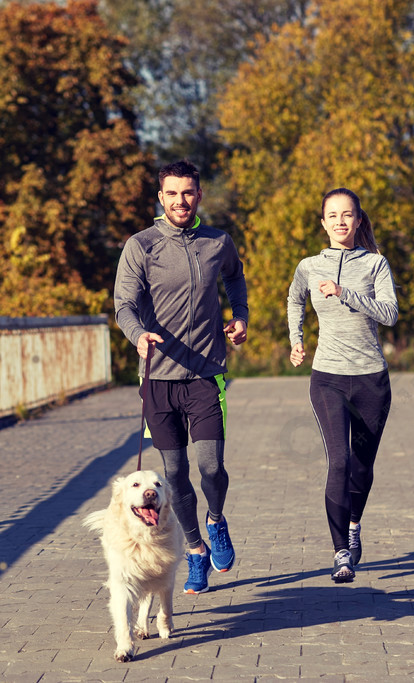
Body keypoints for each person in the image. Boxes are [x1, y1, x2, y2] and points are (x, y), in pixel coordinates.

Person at [114, 159, 249, 594]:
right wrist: (138, 335)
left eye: (188, 192)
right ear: (161, 197)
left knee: (211, 466)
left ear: (199, 195)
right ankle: (195, 552)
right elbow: (124, 305)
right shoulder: (142, 245)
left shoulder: (217, 242)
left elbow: (235, 277)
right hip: (158, 377)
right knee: (173, 474)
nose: (180, 201)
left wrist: (240, 316)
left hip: (206, 374)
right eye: (172, 193)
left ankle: (216, 521)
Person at [286, 187, 398, 583]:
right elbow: (294, 299)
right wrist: (296, 339)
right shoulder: (309, 265)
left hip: (371, 379)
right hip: (328, 376)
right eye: (332, 215)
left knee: (362, 467)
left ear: (358, 220)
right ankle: (340, 553)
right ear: (323, 222)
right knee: (340, 461)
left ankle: (354, 524)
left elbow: (389, 313)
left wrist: (345, 292)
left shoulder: (375, 265)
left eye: (347, 215)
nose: (340, 222)